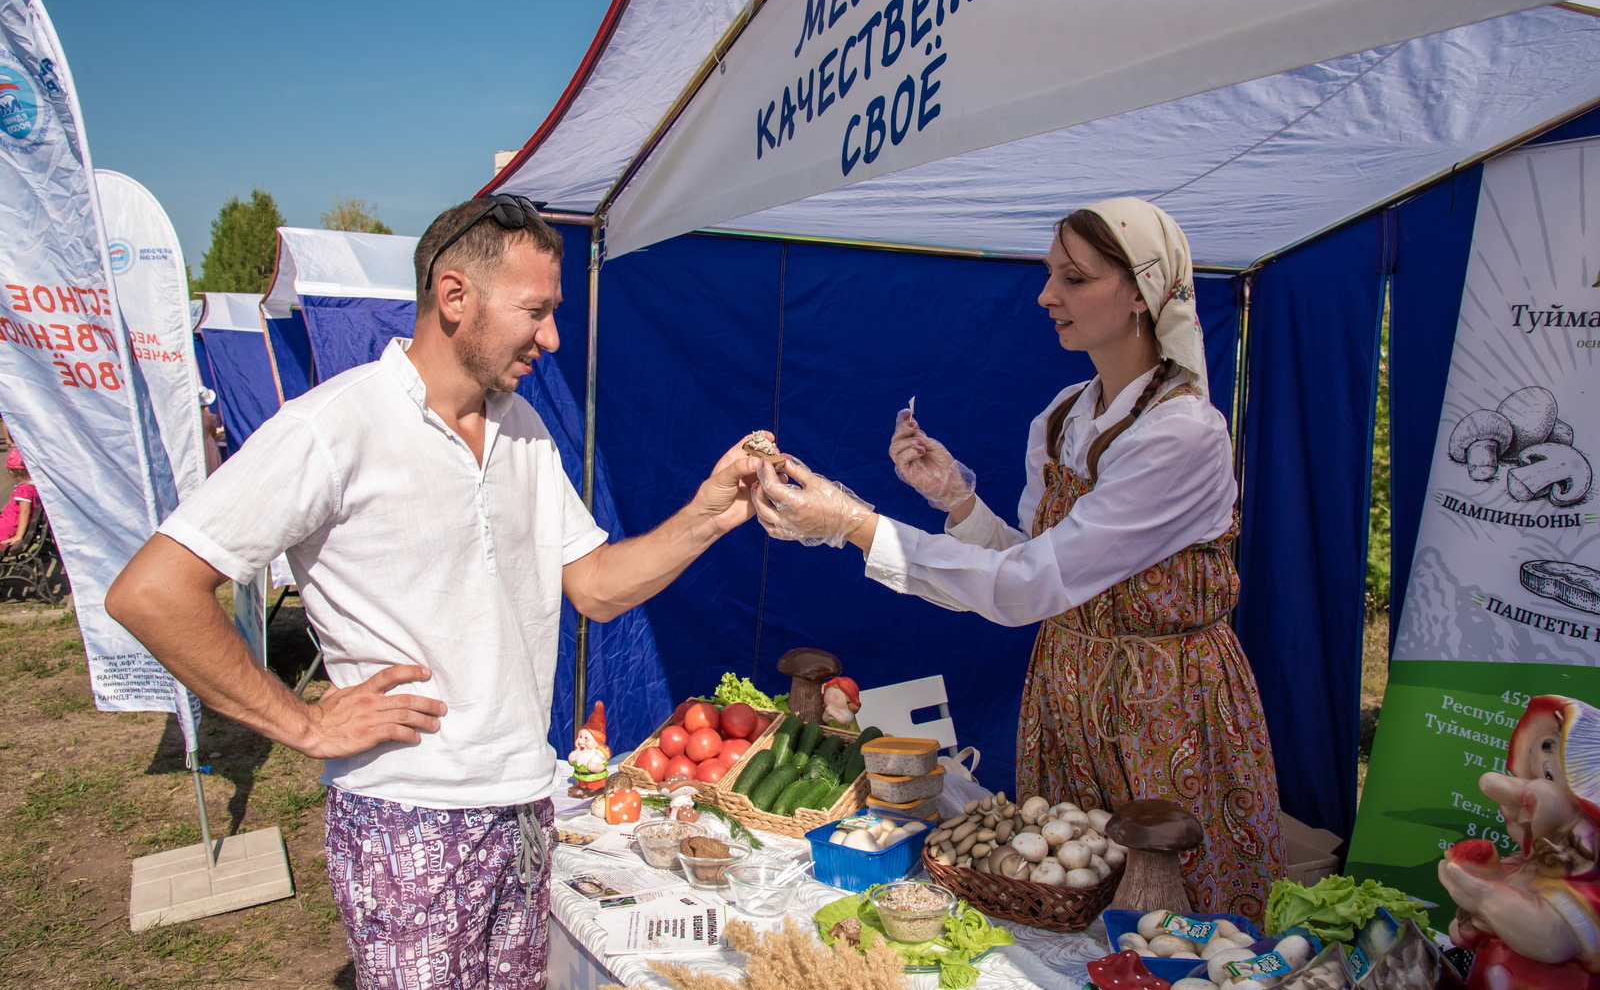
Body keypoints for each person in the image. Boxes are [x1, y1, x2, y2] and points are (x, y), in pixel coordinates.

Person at [106, 195, 763, 990]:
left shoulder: (523, 428)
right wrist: (301, 722)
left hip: (526, 803)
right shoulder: (335, 426)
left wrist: (707, 516)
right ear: (455, 297)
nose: (552, 338)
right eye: (537, 311)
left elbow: (594, 588)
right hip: (406, 817)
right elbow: (152, 591)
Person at [751, 197, 1285, 919]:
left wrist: (854, 523)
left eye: (1074, 278)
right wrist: (959, 503)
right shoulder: (1063, 415)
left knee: (1169, 918)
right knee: (1065, 896)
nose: (1046, 295)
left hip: (1166, 706)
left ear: (1141, 293)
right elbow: (1042, 563)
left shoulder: (1182, 435)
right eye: (1049, 275)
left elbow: (1027, 588)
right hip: (1069, 692)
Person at [0, 448, 40, 553]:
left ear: (11, 472)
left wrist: (19, 535)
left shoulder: (24, 489)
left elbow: (24, 512)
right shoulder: (33, 487)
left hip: (8, 526)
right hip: (9, 522)